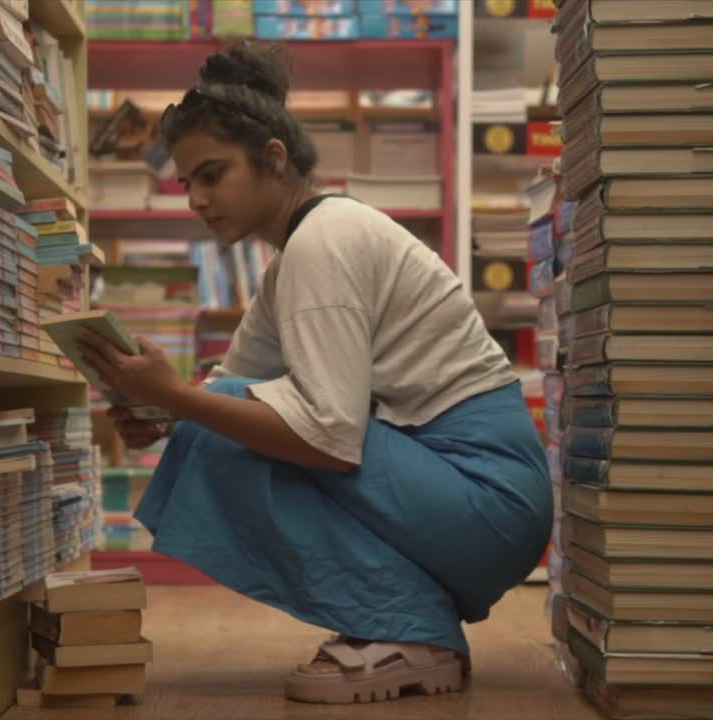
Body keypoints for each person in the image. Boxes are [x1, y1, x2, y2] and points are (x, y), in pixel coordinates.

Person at [77, 41, 553, 705]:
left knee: (219, 423)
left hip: (487, 500)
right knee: (213, 420)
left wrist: (178, 399)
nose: (197, 200)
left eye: (213, 175)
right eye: (186, 183)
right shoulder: (299, 255)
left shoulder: (323, 242)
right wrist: (159, 410)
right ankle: (405, 623)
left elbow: (327, 433)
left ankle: (405, 626)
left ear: (274, 158)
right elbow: (223, 395)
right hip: (471, 501)